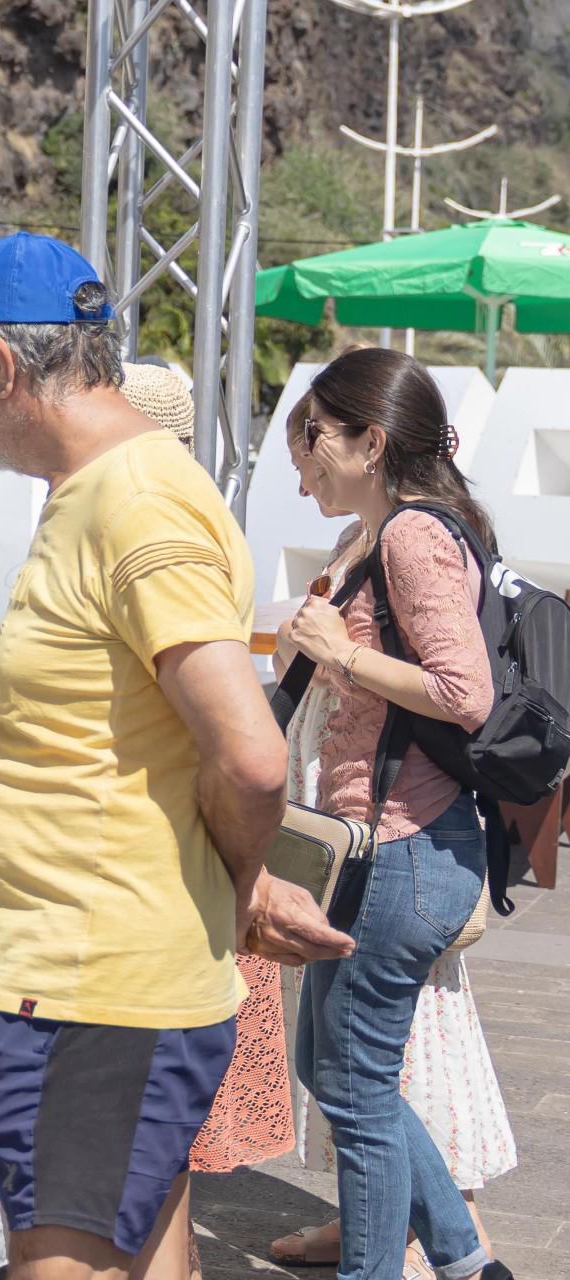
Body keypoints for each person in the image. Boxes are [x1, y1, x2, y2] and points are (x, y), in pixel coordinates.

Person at [0, 232, 350, 1280]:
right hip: (104, 975)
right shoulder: (108, 491)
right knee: (144, 1251)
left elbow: (251, 754)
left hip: (93, 982)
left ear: (1, 364)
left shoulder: (134, 498)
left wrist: (239, 883)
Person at [277, 348, 514, 1280]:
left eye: (312, 443)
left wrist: (341, 653)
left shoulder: (414, 536)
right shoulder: (375, 538)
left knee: (360, 1090)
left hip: (407, 848)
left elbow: (465, 693)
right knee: (329, 1069)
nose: (301, 468)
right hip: (371, 849)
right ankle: (463, 1257)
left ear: (370, 442)